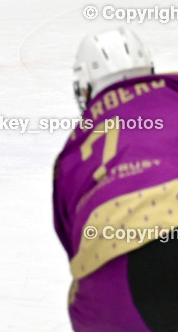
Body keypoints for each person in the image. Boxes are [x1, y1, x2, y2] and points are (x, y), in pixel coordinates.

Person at [53, 27, 178, 331]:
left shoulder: (73, 150)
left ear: (85, 90)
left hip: (113, 273)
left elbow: (74, 242)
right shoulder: (172, 92)